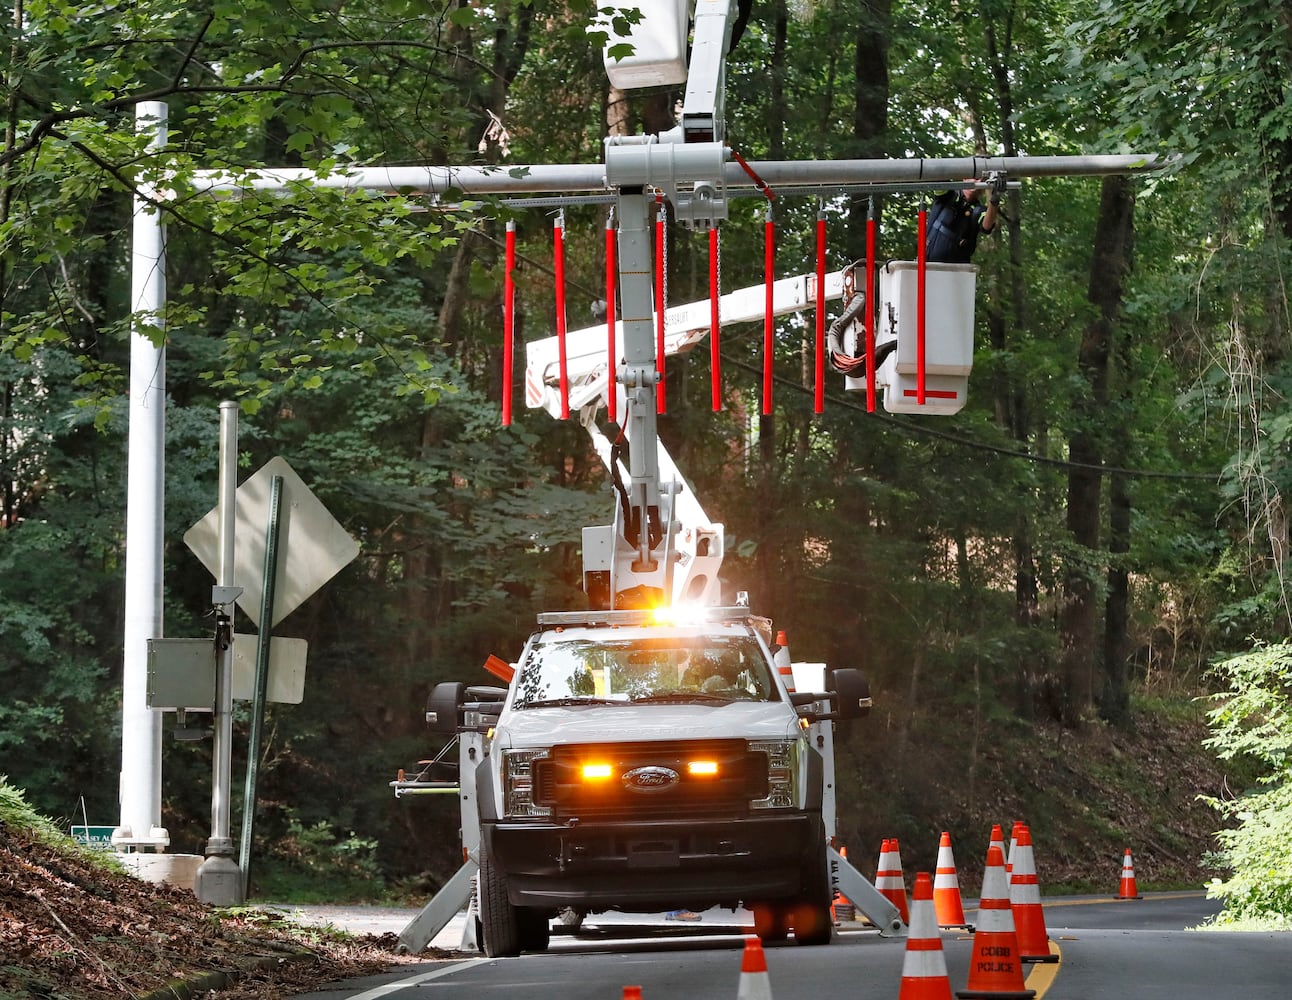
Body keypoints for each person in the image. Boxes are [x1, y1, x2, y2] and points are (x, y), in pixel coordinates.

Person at [925, 184, 1000, 264]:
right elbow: (939, 178)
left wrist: (994, 200)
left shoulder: (978, 210)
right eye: (973, 176)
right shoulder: (947, 193)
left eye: (979, 179)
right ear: (964, 178)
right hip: (928, 263)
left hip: (958, 269)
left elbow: (987, 226)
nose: (976, 181)